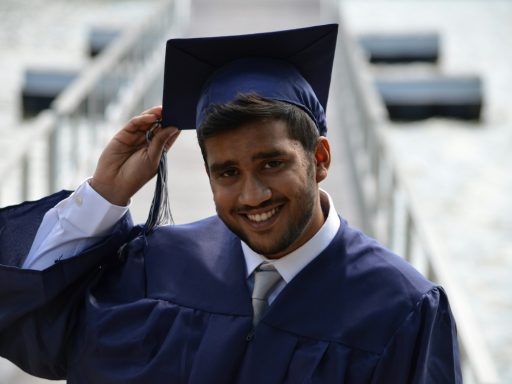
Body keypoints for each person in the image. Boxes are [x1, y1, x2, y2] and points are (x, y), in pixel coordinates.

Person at [0, 24, 461, 383]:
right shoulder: (157, 266)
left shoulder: (402, 307)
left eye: (271, 163)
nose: (252, 194)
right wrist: (104, 195)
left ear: (319, 158)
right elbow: (34, 324)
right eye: (227, 173)